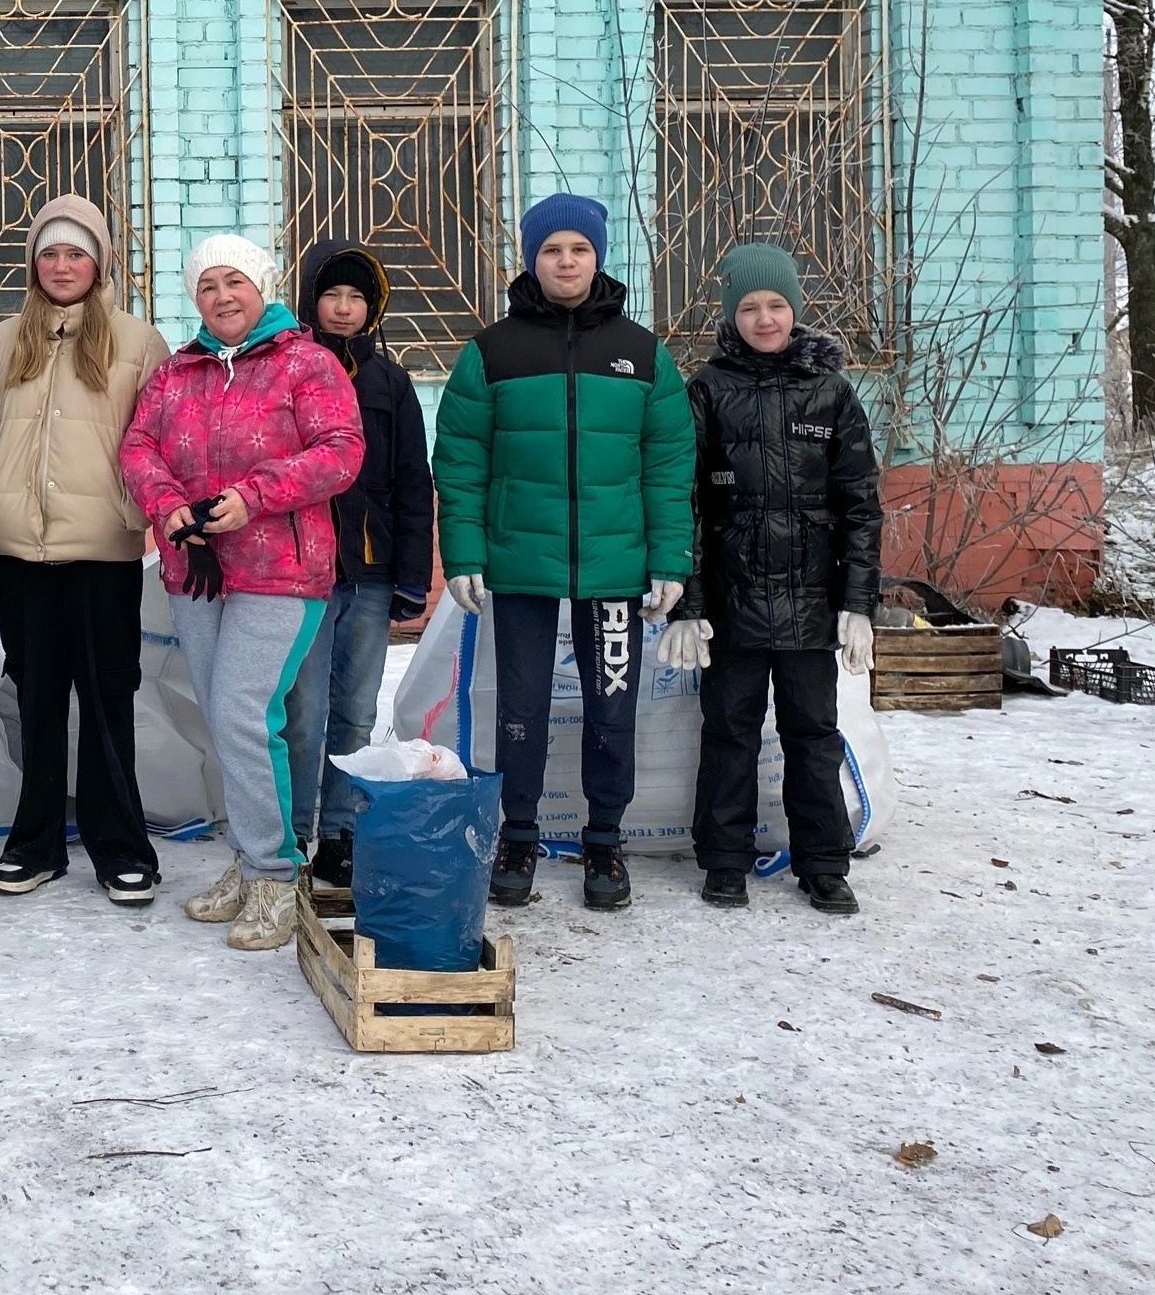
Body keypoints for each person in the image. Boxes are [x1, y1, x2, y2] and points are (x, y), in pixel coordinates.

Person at [431, 193, 695, 914]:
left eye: (578, 249)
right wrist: (463, 552)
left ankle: (604, 840)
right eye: (552, 250)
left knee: (612, 712)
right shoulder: (492, 351)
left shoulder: (643, 354)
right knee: (521, 708)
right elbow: (459, 459)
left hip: (614, 571)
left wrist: (670, 557)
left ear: (598, 256)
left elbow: (669, 463)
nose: (566, 262)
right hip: (519, 565)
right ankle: (517, 834)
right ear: (532, 259)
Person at [119, 235, 364, 952]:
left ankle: (274, 873)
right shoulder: (176, 372)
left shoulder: (305, 362)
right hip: (196, 570)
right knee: (227, 721)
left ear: (262, 286)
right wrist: (168, 506)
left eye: (235, 282)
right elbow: (139, 446)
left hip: (281, 570)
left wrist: (252, 497)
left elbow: (340, 450)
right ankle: (251, 855)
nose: (222, 297)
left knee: (241, 713)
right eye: (207, 287)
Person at [658, 244, 883, 917]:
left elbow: (860, 503)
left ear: (795, 311)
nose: (764, 319)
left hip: (813, 604)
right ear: (732, 315)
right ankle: (724, 861)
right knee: (729, 731)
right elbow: (686, 499)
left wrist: (860, 601)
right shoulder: (707, 390)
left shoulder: (832, 393)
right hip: (732, 602)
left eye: (776, 305)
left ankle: (823, 864)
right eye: (750, 307)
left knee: (813, 735)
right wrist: (690, 604)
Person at [0, 195, 175, 906]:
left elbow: (158, 439)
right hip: (20, 554)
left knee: (105, 698)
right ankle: (35, 843)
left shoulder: (137, 342)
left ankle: (119, 845)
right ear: (33, 263)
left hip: (104, 553)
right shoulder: (0, 343)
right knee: (36, 700)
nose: (62, 266)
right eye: (50, 253)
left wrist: (142, 513)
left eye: (76, 253)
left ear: (99, 263)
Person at [285, 241, 434, 887]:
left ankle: (341, 832)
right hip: (303, 573)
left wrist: (409, 577)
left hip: (369, 574)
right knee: (302, 708)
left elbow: (410, 483)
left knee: (353, 712)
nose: (344, 309)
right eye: (332, 295)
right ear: (309, 300)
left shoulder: (390, 382)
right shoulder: (286, 371)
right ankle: (292, 833)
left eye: (356, 298)